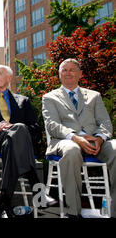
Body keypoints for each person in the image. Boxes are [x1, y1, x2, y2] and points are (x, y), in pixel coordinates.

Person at [0, 65, 56, 218]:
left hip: (14, 145)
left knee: (18, 132)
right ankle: (39, 192)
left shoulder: (23, 100)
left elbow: (36, 130)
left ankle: (4, 205)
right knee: (17, 133)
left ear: (9, 78)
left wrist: (17, 129)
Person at [42, 58, 115, 218]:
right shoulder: (50, 97)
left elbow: (105, 123)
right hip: (65, 140)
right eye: (64, 70)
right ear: (59, 74)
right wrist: (77, 138)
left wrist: (100, 138)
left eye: (72, 69)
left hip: (96, 141)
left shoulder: (94, 96)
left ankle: (114, 210)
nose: (68, 73)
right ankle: (73, 212)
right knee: (72, 149)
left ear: (80, 74)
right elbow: (53, 125)